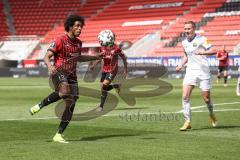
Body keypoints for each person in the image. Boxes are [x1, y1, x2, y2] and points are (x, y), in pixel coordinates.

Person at [29, 14, 102, 143]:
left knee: (71, 103)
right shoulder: (60, 40)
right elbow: (47, 56)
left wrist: (95, 57)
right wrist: (50, 66)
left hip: (72, 75)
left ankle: (58, 134)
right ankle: (40, 105)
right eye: (77, 26)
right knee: (64, 91)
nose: (80, 28)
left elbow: (79, 58)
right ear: (70, 27)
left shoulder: (78, 43)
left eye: (81, 26)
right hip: (59, 71)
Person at [176, 21, 217, 131]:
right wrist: (180, 65)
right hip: (190, 71)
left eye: (189, 29)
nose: (186, 31)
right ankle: (187, 121)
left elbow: (214, 50)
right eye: (185, 29)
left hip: (203, 71)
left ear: (194, 29)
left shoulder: (202, 39)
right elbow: (185, 56)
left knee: (206, 99)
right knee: (185, 96)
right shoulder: (184, 42)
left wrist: (203, 53)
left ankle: (212, 114)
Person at [90, 30, 128, 112]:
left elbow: (124, 57)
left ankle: (101, 107)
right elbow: (101, 57)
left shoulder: (116, 48)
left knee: (104, 85)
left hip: (112, 69)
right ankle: (116, 86)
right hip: (105, 69)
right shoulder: (102, 48)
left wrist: (125, 69)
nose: (100, 42)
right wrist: (94, 65)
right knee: (103, 88)